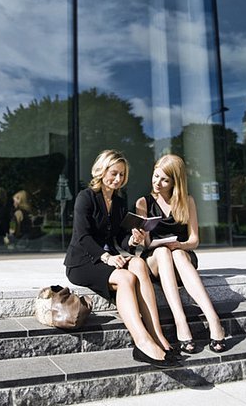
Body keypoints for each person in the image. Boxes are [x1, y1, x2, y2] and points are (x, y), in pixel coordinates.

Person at [64, 149, 180, 369]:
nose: (118, 179)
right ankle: (142, 342)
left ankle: (157, 334)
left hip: (106, 258)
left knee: (138, 263)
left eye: (122, 175)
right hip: (82, 262)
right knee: (126, 278)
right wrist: (106, 257)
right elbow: (83, 236)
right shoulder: (85, 197)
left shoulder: (118, 203)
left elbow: (120, 238)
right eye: (114, 173)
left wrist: (133, 240)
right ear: (102, 170)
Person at [130, 154, 227, 354]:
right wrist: (142, 236)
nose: (157, 182)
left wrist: (180, 245)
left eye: (164, 179)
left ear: (175, 181)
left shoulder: (187, 201)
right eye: (156, 176)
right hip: (155, 260)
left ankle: (213, 319)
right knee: (164, 251)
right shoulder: (143, 203)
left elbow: (194, 241)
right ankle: (180, 321)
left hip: (181, 257)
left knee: (177, 254)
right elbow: (147, 244)